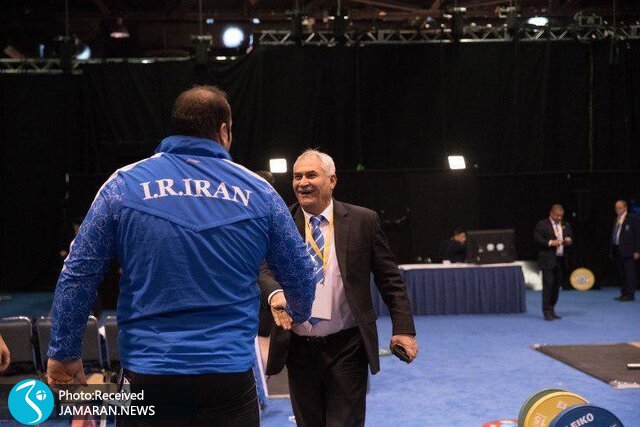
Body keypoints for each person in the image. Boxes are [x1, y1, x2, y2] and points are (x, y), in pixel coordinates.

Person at [46, 85, 317, 426]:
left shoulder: (122, 185)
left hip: (147, 375)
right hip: (228, 378)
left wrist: (64, 351)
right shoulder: (259, 192)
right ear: (224, 131)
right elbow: (301, 275)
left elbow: (78, 274)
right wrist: (298, 312)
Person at [259, 149, 418, 427]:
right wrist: (275, 292)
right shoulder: (280, 222)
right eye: (297, 176)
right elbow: (262, 266)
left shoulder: (363, 221)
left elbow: (390, 279)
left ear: (332, 180)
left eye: (311, 175)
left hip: (347, 347)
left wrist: (403, 329)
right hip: (298, 348)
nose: (302, 182)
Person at [534, 204, 573, 321]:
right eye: (557, 216)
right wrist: (551, 243)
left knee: (556, 286)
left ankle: (552, 308)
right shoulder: (542, 224)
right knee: (548, 285)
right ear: (551, 213)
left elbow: (569, 236)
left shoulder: (565, 225)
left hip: (560, 259)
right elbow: (537, 239)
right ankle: (546, 311)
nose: (559, 218)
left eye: (561, 216)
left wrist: (569, 240)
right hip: (547, 259)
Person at [611, 200, 640, 301]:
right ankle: (624, 293)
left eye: (619, 207)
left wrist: (637, 250)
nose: (617, 209)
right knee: (622, 273)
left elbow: (638, 235)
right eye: (616, 208)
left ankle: (630, 294)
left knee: (629, 274)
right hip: (618, 249)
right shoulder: (617, 218)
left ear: (625, 208)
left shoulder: (632, 218)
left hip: (629, 250)